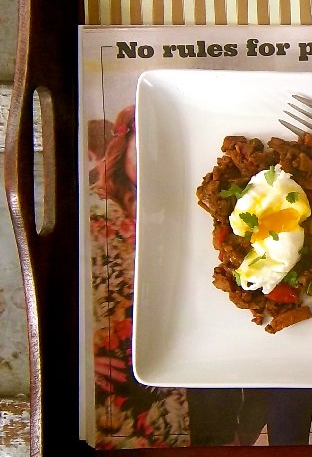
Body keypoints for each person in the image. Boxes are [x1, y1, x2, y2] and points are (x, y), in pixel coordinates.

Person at [90, 104, 190, 448]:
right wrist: (79, 357)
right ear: (124, 144)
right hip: (111, 390)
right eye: (145, 145)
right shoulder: (92, 211)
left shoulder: (172, 211)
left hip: (168, 388)